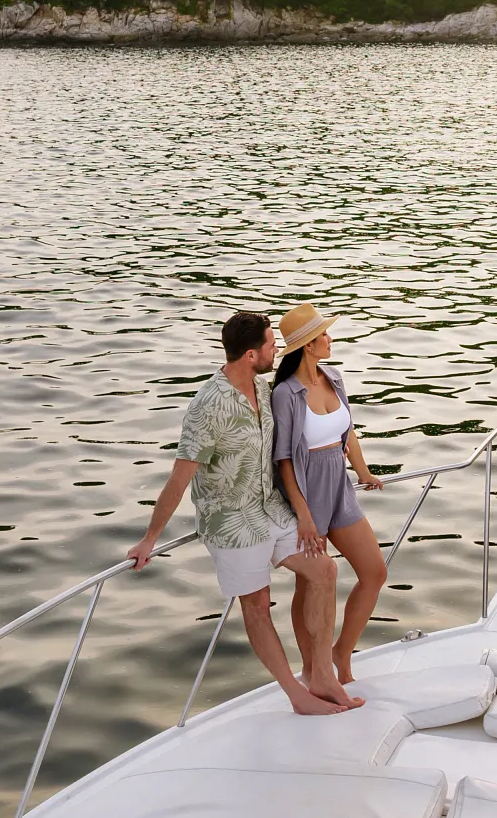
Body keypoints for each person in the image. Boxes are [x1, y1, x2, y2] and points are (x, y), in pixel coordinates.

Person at [126, 310, 360, 715]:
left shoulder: (266, 391)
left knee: (325, 570)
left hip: (270, 506)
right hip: (231, 521)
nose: (276, 351)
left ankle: (321, 674)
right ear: (251, 354)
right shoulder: (207, 407)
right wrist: (150, 538)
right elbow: (179, 479)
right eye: (271, 345)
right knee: (257, 603)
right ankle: (296, 694)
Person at [269, 302, 387, 685]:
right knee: (311, 585)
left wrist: (364, 470)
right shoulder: (286, 394)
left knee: (374, 572)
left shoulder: (333, 377)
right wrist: (302, 513)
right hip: (307, 489)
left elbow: (347, 431)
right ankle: (312, 668)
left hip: (339, 484)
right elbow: (285, 459)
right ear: (307, 345)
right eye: (323, 334)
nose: (330, 339)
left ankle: (340, 652)